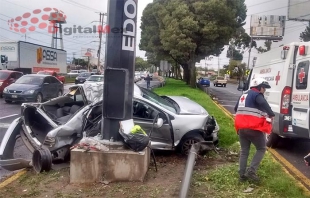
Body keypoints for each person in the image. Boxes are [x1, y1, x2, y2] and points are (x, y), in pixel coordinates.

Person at [234, 77, 275, 183]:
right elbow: (263, 104)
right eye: (264, 88)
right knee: (261, 148)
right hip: (253, 127)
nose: (264, 90)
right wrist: (271, 114)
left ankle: (241, 176)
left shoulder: (243, 95)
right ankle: (251, 172)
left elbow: (235, 109)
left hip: (241, 128)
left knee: (244, 151)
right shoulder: (257, 94)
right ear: (259, 87)